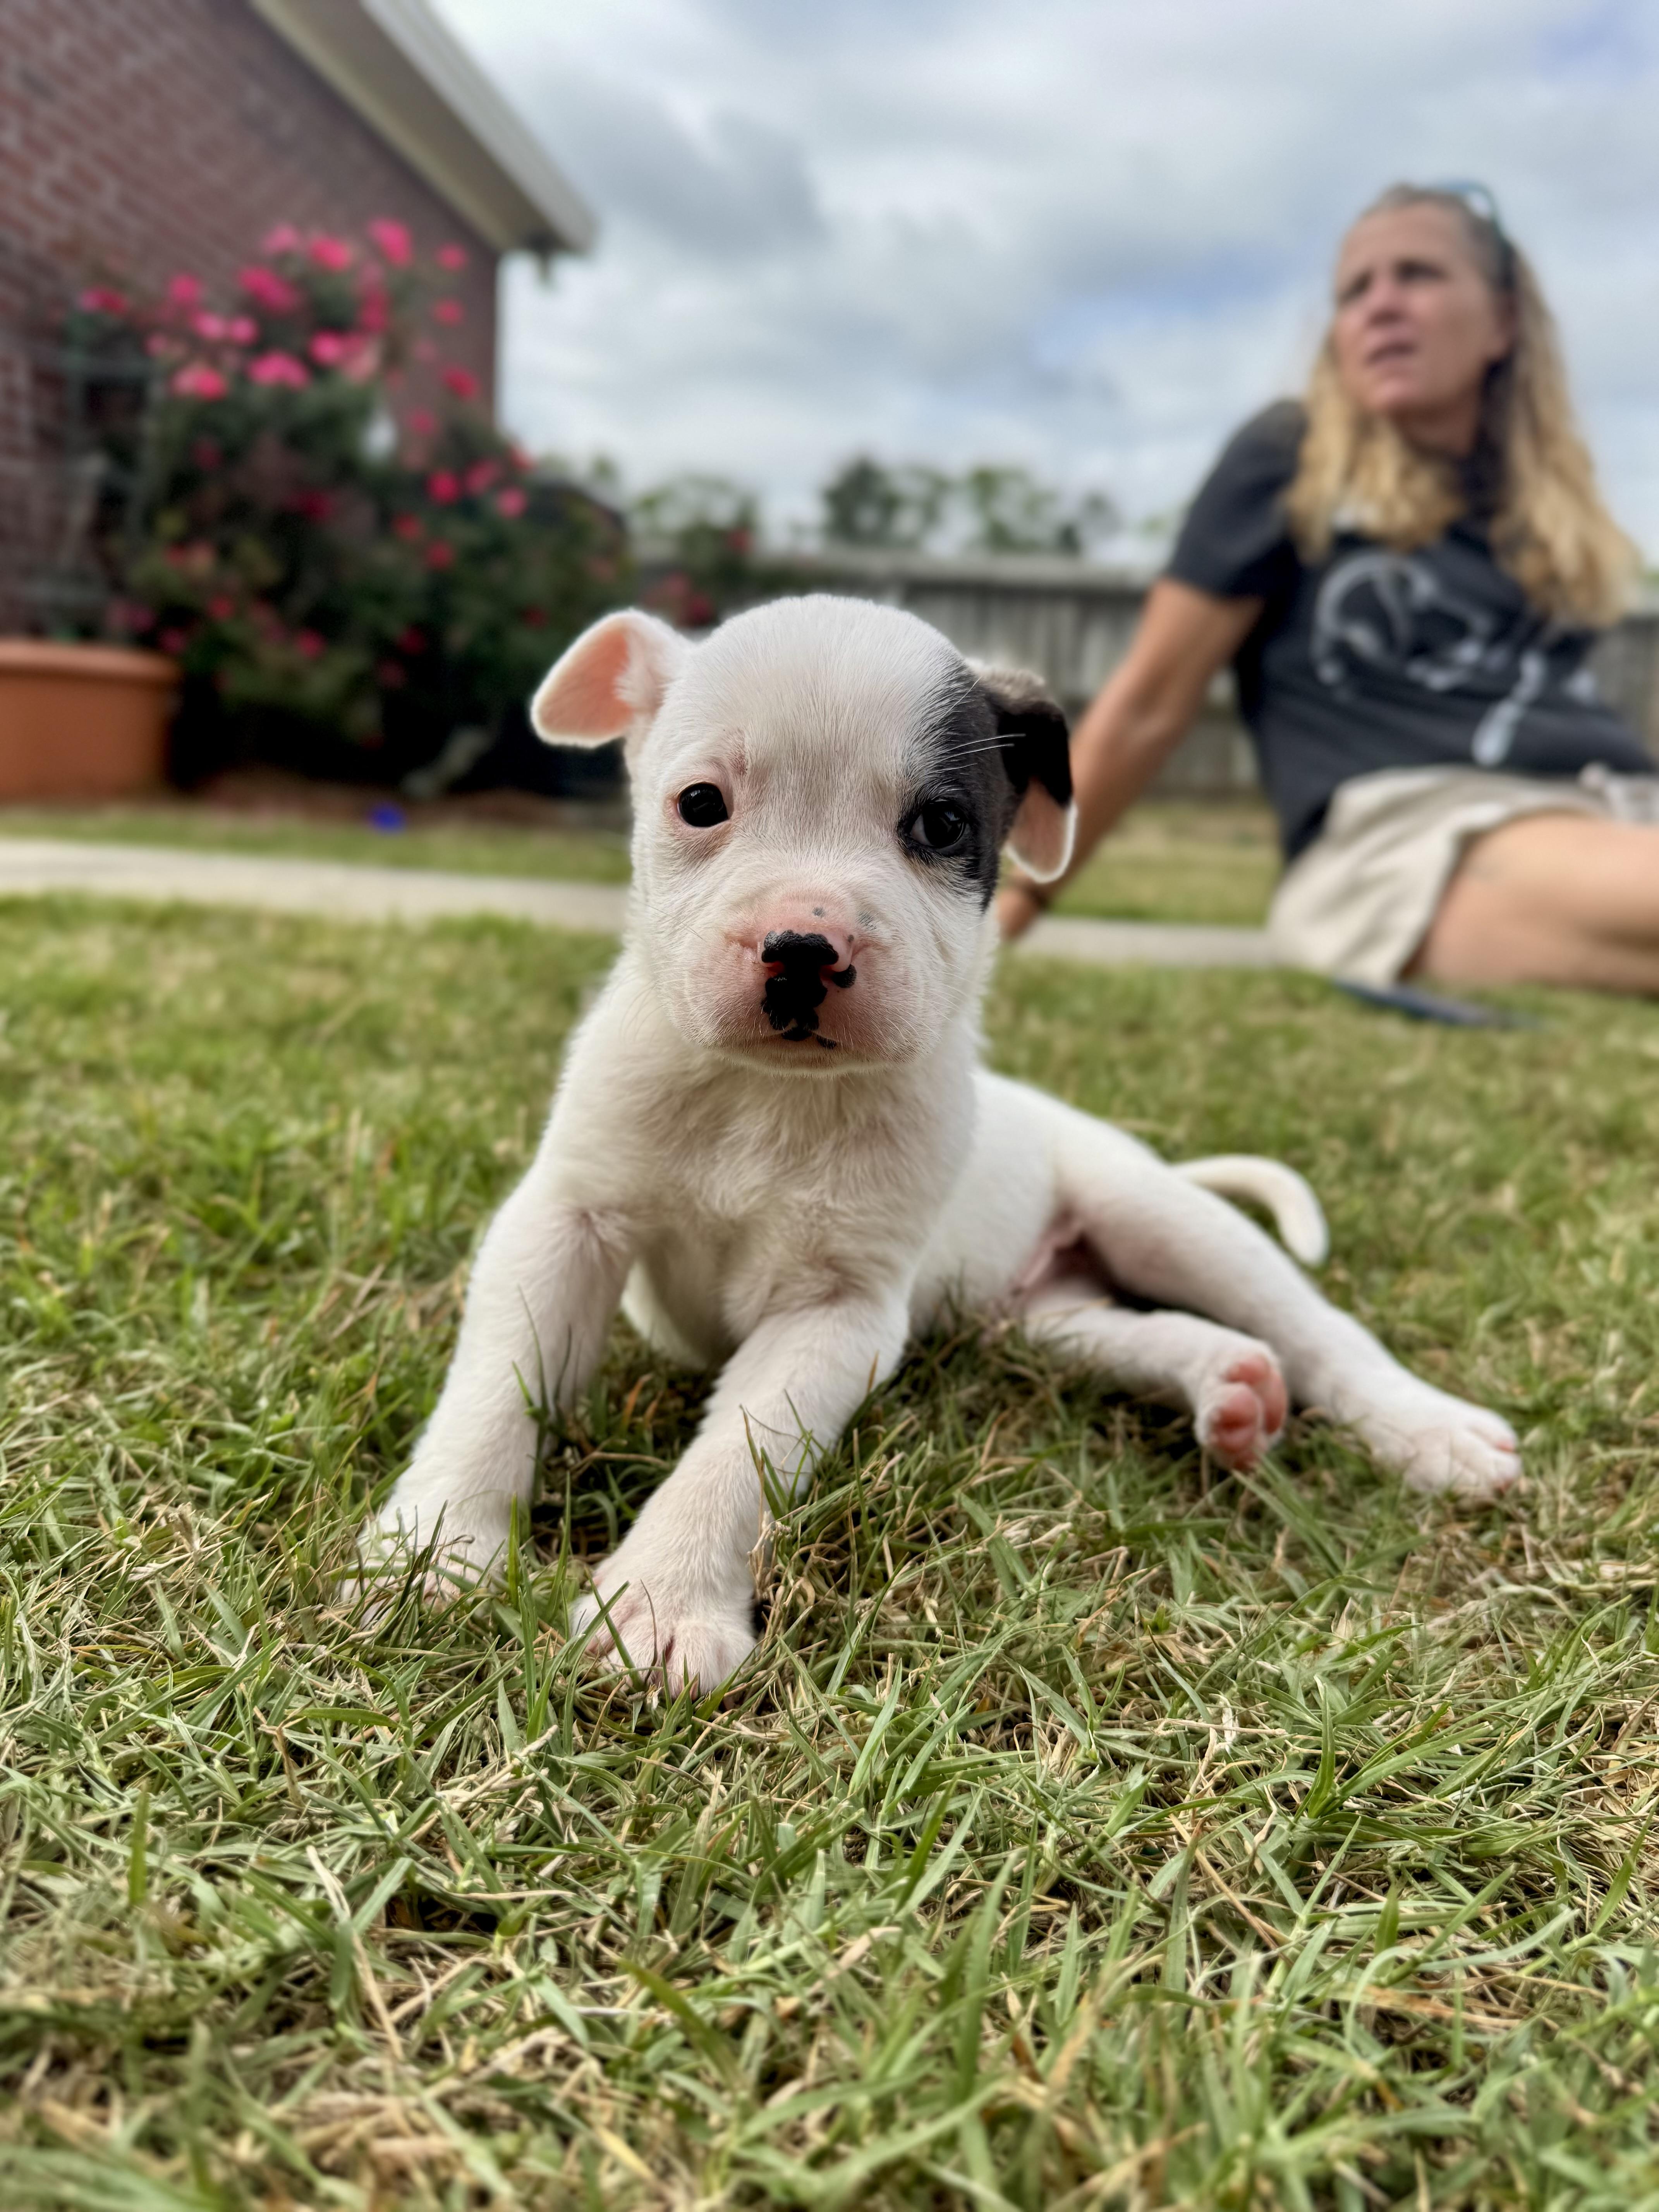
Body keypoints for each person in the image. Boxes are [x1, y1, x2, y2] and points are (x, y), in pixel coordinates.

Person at [997, 183, 1659, 994]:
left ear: (1504, 322)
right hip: (1416, 834)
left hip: (1619, 806)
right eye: (1355, 290)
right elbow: (1149, 703)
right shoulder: (1293, 463)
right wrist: (1017, 901)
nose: (1381, 306)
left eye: (1417, 275)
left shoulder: (1543, 513)